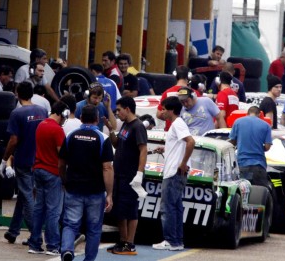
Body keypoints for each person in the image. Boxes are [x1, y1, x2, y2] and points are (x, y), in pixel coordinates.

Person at [59, 105, 115, 261]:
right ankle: (89, 259)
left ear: (81, 118)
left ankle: (67, 249)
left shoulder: (71, 135)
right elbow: (107, 167)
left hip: (74, 188)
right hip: (95, 191)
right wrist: (109, 193)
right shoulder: (103, 139)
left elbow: (61, 163)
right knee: (94, 229)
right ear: (97, 119)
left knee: (70, 224)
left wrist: (64, 180)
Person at [0, 82, 48, 245]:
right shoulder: (42, 111)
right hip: (39, 159)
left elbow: (13, 140)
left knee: (27, 197)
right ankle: (13, 231)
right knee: (24, 195)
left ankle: (36, 236)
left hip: (23, 160)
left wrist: (4, 159)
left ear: (17, 94)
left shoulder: (17, 113)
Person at [104, 96, 148, 255]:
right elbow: (117, 144)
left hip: (130, 176)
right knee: (120, 210)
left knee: (130, 210)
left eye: (119, 110)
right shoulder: (125, 126)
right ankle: (122, 241)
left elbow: (143, 149)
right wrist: (110, 130)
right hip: (120, 174)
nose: (118, 113)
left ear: (128, 109)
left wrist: (139, 173)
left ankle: (130, 243)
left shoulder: (138, 126)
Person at [152, 96, 195, 251]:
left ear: (171, 110)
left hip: (173, 172)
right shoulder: (176, 125)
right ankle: (177, 241)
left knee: (168, 207)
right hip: (175, 172)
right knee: (175, 207)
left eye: (164, 109)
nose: (162, 112)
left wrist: (183, 163)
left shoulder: (178, 124)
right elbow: (180, 144)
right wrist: (165, 148)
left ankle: (170, 240)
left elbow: (191, 142)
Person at [29, 101, 68, 256]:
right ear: (63, 114)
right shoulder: (57, 130)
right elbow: (62, 155)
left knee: (39, 208)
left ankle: (34, 242)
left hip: (38, 169)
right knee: (53, 210)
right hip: (52, 172)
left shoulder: (41, 125)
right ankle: (52, 245)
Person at [229, 106, 272, 187]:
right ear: (259, 114)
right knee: (259, 194)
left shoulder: (238, 122)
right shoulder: (266, 125)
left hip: (242, 164)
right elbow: (267, 147)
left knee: (243, 193)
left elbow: (232, 142)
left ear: (247, 114)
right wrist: (257, 147)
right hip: (259, 166)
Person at [156, 66, 200, 131]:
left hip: (171, 130)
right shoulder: (195, 93)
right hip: (191, 131)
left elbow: (159, 114)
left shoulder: (167, 93)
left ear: (175, 76)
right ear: (189, 76)